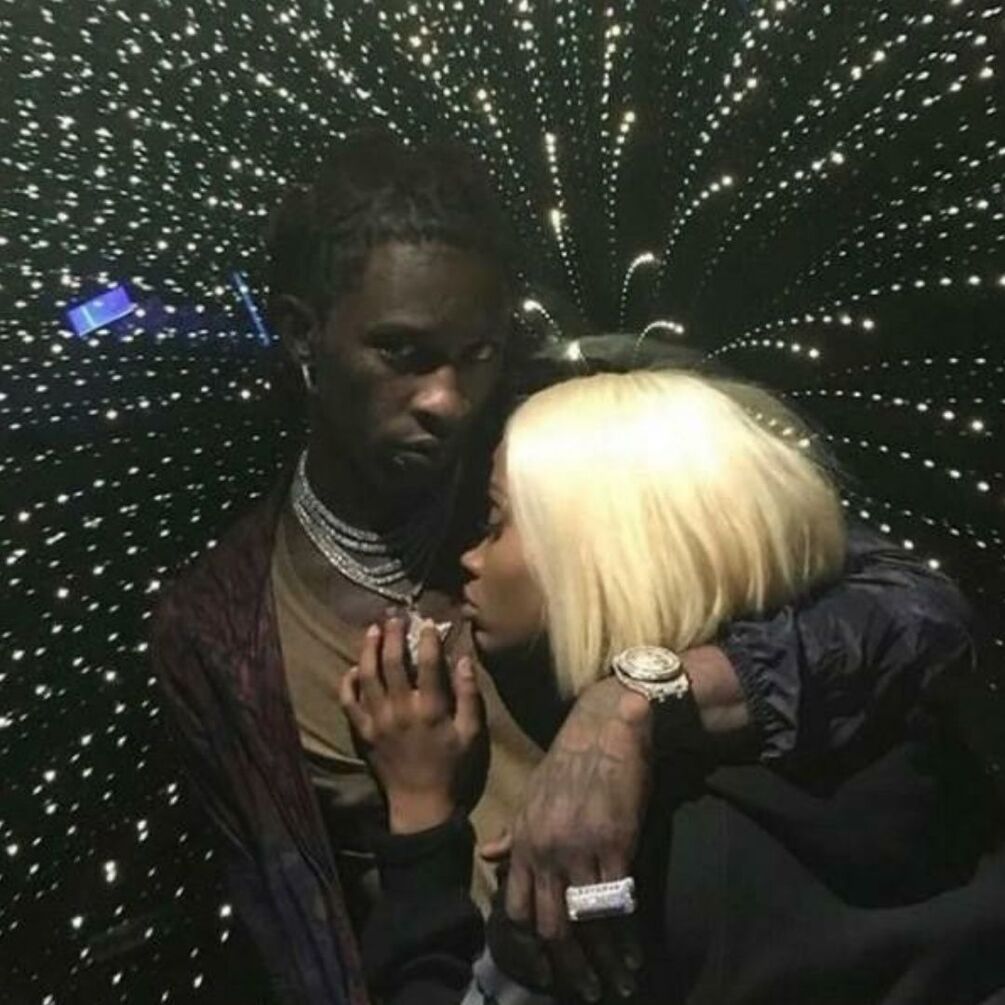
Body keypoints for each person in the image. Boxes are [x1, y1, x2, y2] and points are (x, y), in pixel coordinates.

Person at [152, 130, 982, 1005]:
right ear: (301, 333)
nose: (446, 399)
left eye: (477, 353)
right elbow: (298, 932)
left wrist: (632, 705)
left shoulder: (561, 447)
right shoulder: (221, 631)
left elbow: (916, 610)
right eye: (402, 353)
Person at [342, 370, 1005, 1005]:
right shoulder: (912, 724)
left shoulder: (594, 854)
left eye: (495, 522)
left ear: (597, 558)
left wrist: (420, 816)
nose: (470, 557)